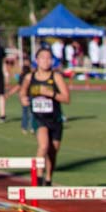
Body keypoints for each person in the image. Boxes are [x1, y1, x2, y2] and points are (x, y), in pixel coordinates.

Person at [20, 46, 69, 186]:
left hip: (55, 119)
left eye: (49, 58)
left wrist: (51, 94)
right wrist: (23, 99)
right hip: (39, 118)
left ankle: (48, 178)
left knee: (52, 153)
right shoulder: (30, 77)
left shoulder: (56, 77)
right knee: (43, 146)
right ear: (37, 60)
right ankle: (38, 177)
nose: (46, 61)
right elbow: (22, 92)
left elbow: (66, 98)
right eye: (43, 58)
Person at [13, 61, 32, 134]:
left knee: (25, 112)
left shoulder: (22, 76)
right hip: (31, 95)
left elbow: (19, 87)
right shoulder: (32, 76)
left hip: (24, 96)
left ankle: (24, 128)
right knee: (32, 113)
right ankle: (32, 128)